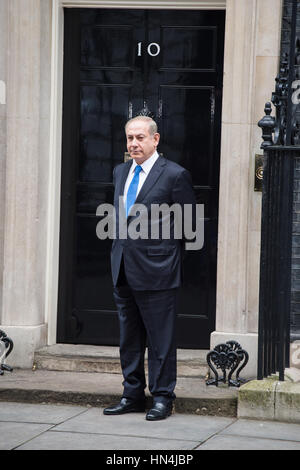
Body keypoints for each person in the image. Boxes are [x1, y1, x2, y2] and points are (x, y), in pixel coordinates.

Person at [103, 115, 196, 420]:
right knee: (129, 340)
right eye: (130, 138)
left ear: (155, 140)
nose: (133, 144)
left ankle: (162, 397)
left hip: (158, 272)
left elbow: (189, 227)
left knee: (160, 341)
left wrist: (162, 255)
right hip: (123, 270)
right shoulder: (120, 171)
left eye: (140, 138)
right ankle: (132, 394)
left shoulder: (174, 175)